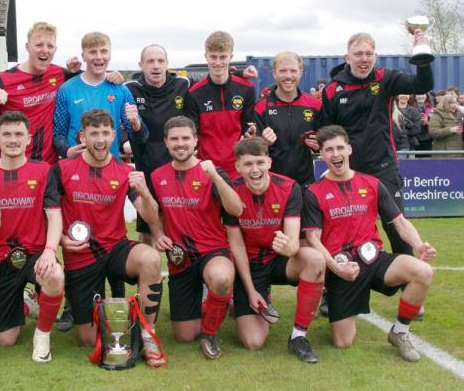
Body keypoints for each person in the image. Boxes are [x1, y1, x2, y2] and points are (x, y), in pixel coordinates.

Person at [303, 125, 435, 362]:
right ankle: (335, 301)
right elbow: (313, 239)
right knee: (343, 343)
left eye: (340, 148)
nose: (335, 154)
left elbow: (398, 221)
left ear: (349, 149)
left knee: (422, 271)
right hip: (342, 269)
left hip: (374, 259)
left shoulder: (372, 184)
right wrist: (336, 268)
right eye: (329, 150)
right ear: (321, 155)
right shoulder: (314, 193)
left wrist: (419, 245)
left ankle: (400, 332)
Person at [50, 109, 166, 367]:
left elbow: (151, 215)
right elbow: (47, 213)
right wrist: (59, 240)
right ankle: (119, 321)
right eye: (94, 133)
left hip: (116, 249)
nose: (100, 140)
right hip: (81, 254)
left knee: (149, 258)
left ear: (114, 135)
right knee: (89, 339)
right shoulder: (63, 169)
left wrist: (145, 191)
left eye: (105, 133)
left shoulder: (124, 171)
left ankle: (148, 335)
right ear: (83, 136)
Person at [321, 31, 433, 255]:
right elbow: (326, 131)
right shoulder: (333, 90)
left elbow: (423, 85)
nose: (364, 59)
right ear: (347, 57)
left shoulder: (386, 78)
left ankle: (407, 278)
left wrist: (421, 56)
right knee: (345, 229)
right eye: (358, 54)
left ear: (375, 56)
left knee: (395, 226)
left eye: (368, 54)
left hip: (384, 167)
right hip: (348, 171)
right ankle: (339, 281)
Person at [225, 137, 325, 363]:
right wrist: (250, 290)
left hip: (278, 259)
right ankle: (245, 300)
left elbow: (292, 242)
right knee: (253, 342)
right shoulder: (231, 191)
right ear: (238, 167)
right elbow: (237, 245)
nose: (255, 169)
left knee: (315, 260)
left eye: (260, 162)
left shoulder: (289, 187)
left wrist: (288, 246)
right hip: (249, 265)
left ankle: (298, 337)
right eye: (248, 164)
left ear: (269, 162)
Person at [151, 116, 243, 359]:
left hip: (212, 251)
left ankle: (210, 333)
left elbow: (236, 209)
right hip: (180, 258)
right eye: (174, 139)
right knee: (184, 334)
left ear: (195, 141)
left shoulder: (212, 171)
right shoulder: (157, 176)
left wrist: (215, 177)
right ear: (166, 142)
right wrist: (159, 234)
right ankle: (218, 305)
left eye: (185, 138)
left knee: (221, 278)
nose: (180, 144)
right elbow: (155, 214)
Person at [0, 111, 65, 362]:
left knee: (55, 276)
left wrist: (49, 250)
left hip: (33, 253)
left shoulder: (44, 171)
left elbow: (54, 215)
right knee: (6, 340)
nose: (12, 139)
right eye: (6, 134)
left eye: (18, 134)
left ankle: (43, 335)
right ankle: (27, 303)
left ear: (29, 139)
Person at [0, 22, 85, 165]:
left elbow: (92, 80)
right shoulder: (4, 80)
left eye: (50, 46)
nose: (45, 50)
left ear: (55, 50)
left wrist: (112, 76)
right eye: (39, 45)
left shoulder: (59, 73)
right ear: (27, 47)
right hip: (15, 166)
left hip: (48, 166)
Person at [125, 45, 191, 245]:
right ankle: (148, 275)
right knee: (146, 233)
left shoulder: (183, 84)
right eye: (150, 61)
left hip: (177, 171)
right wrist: (123, 140)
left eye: (160, 61)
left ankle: (184, 274)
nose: (156, 66)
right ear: (141, 65)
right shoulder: (130, 89)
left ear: (167, 64)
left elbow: (214, 80)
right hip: (146, 169)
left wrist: (240, 72)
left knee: (179, 230)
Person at [53, 32, 148, 159]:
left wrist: (136, 124)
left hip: (109, 167)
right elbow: (58, 134)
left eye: (103, 51)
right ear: (83, 56)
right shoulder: (66, 89)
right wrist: (66, 151)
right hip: (76, 167)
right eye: (92, 52)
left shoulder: (121, 90)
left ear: (110, 54)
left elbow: (141, 138)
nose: (99, 57)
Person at [182, 31, 256, 178]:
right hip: (206, 168)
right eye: (213, 57)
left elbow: (248, 129)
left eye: (223, 57)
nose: (217, 62)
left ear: (231, 57)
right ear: (206, 57)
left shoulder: (246, 89)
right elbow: (193, 134)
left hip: (237, 168)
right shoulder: (194, 93)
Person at [254, 51, 323, 188]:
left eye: (293, 71)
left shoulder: (314, 105)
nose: (288, 76)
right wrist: (263, 142)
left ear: (300, 72)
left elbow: (325, 140)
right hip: (272, 183)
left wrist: (319, 145)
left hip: (305, 182)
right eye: (283, 71)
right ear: (274, 73)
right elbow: (252, 149)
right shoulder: (261, 107)